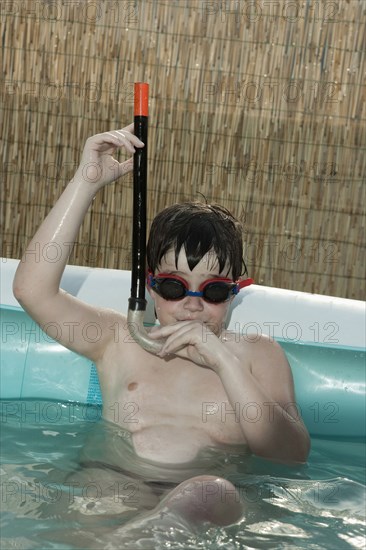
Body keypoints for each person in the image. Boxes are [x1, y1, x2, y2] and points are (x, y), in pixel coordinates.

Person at [13, 124, 310, 532]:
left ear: (235, 291)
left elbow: (289, 454)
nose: (191, 303)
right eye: (174, 286)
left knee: (209, 491)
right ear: (150, 286)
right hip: (114, 481)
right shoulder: (120, 340)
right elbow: (32, 290)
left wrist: (223, 361)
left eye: (214, 290)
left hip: (203, 503)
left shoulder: (256, 355)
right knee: (99, 491)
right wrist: (86, 183)